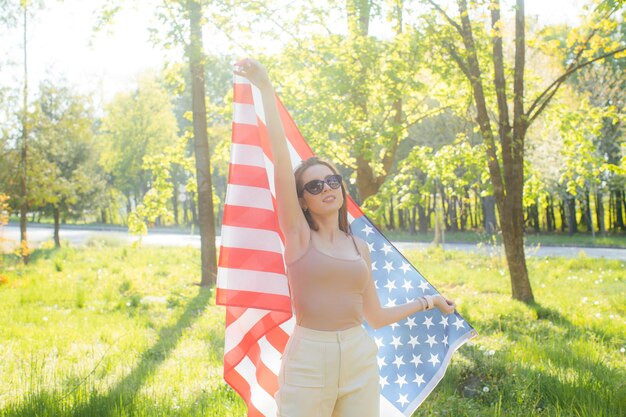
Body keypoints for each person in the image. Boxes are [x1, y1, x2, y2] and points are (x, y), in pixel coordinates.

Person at [233, 58, 456, 417]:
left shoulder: (359, 248)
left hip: (358, 355)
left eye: (333, 180)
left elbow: (376, 316)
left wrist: (429, 301)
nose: (327, 188)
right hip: (309, 358)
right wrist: (266, 86)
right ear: (302, 200)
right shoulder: (298, 238)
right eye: (315, 185)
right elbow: (278, 160)